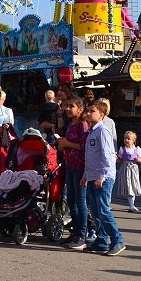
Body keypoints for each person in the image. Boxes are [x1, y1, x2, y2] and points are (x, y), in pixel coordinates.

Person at [82, 98, 124, 256]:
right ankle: (101, 240)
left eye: (92, 111)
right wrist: (86, 175)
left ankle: (117, 240)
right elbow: (92, 156)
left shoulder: (103, 131)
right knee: (95, 211)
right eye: (88, 111)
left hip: (103, 177)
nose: (88, 113)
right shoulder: (92, 131)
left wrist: (102, 176)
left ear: (101, 114)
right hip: (93, 176)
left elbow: (107, 155)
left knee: (103, 210)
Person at [57, 97, 90, 248]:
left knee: (80, 201)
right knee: (70, 200)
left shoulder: (83, 125)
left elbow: (84, 146)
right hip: (70, 165)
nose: (68, 109)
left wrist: (67, 144)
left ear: (80, 109)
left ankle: (82, 235)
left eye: (72, 106)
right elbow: (72, 144)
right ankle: (75, 232)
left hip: (80, 167)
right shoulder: (72, 123)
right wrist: (63, 146)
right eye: (67, 106)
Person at [114, 131, 141, 212]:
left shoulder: (137, 149)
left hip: (134, 169)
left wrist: (138, 159)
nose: (126, 140)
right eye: (125, 138)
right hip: (125, 169)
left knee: (133, 186)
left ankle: (132, 204)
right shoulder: (122, 149)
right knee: (129, 187)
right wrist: (115, 158)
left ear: (133, 141)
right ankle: (131, 206)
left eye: (128, 138)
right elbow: (120, 160)